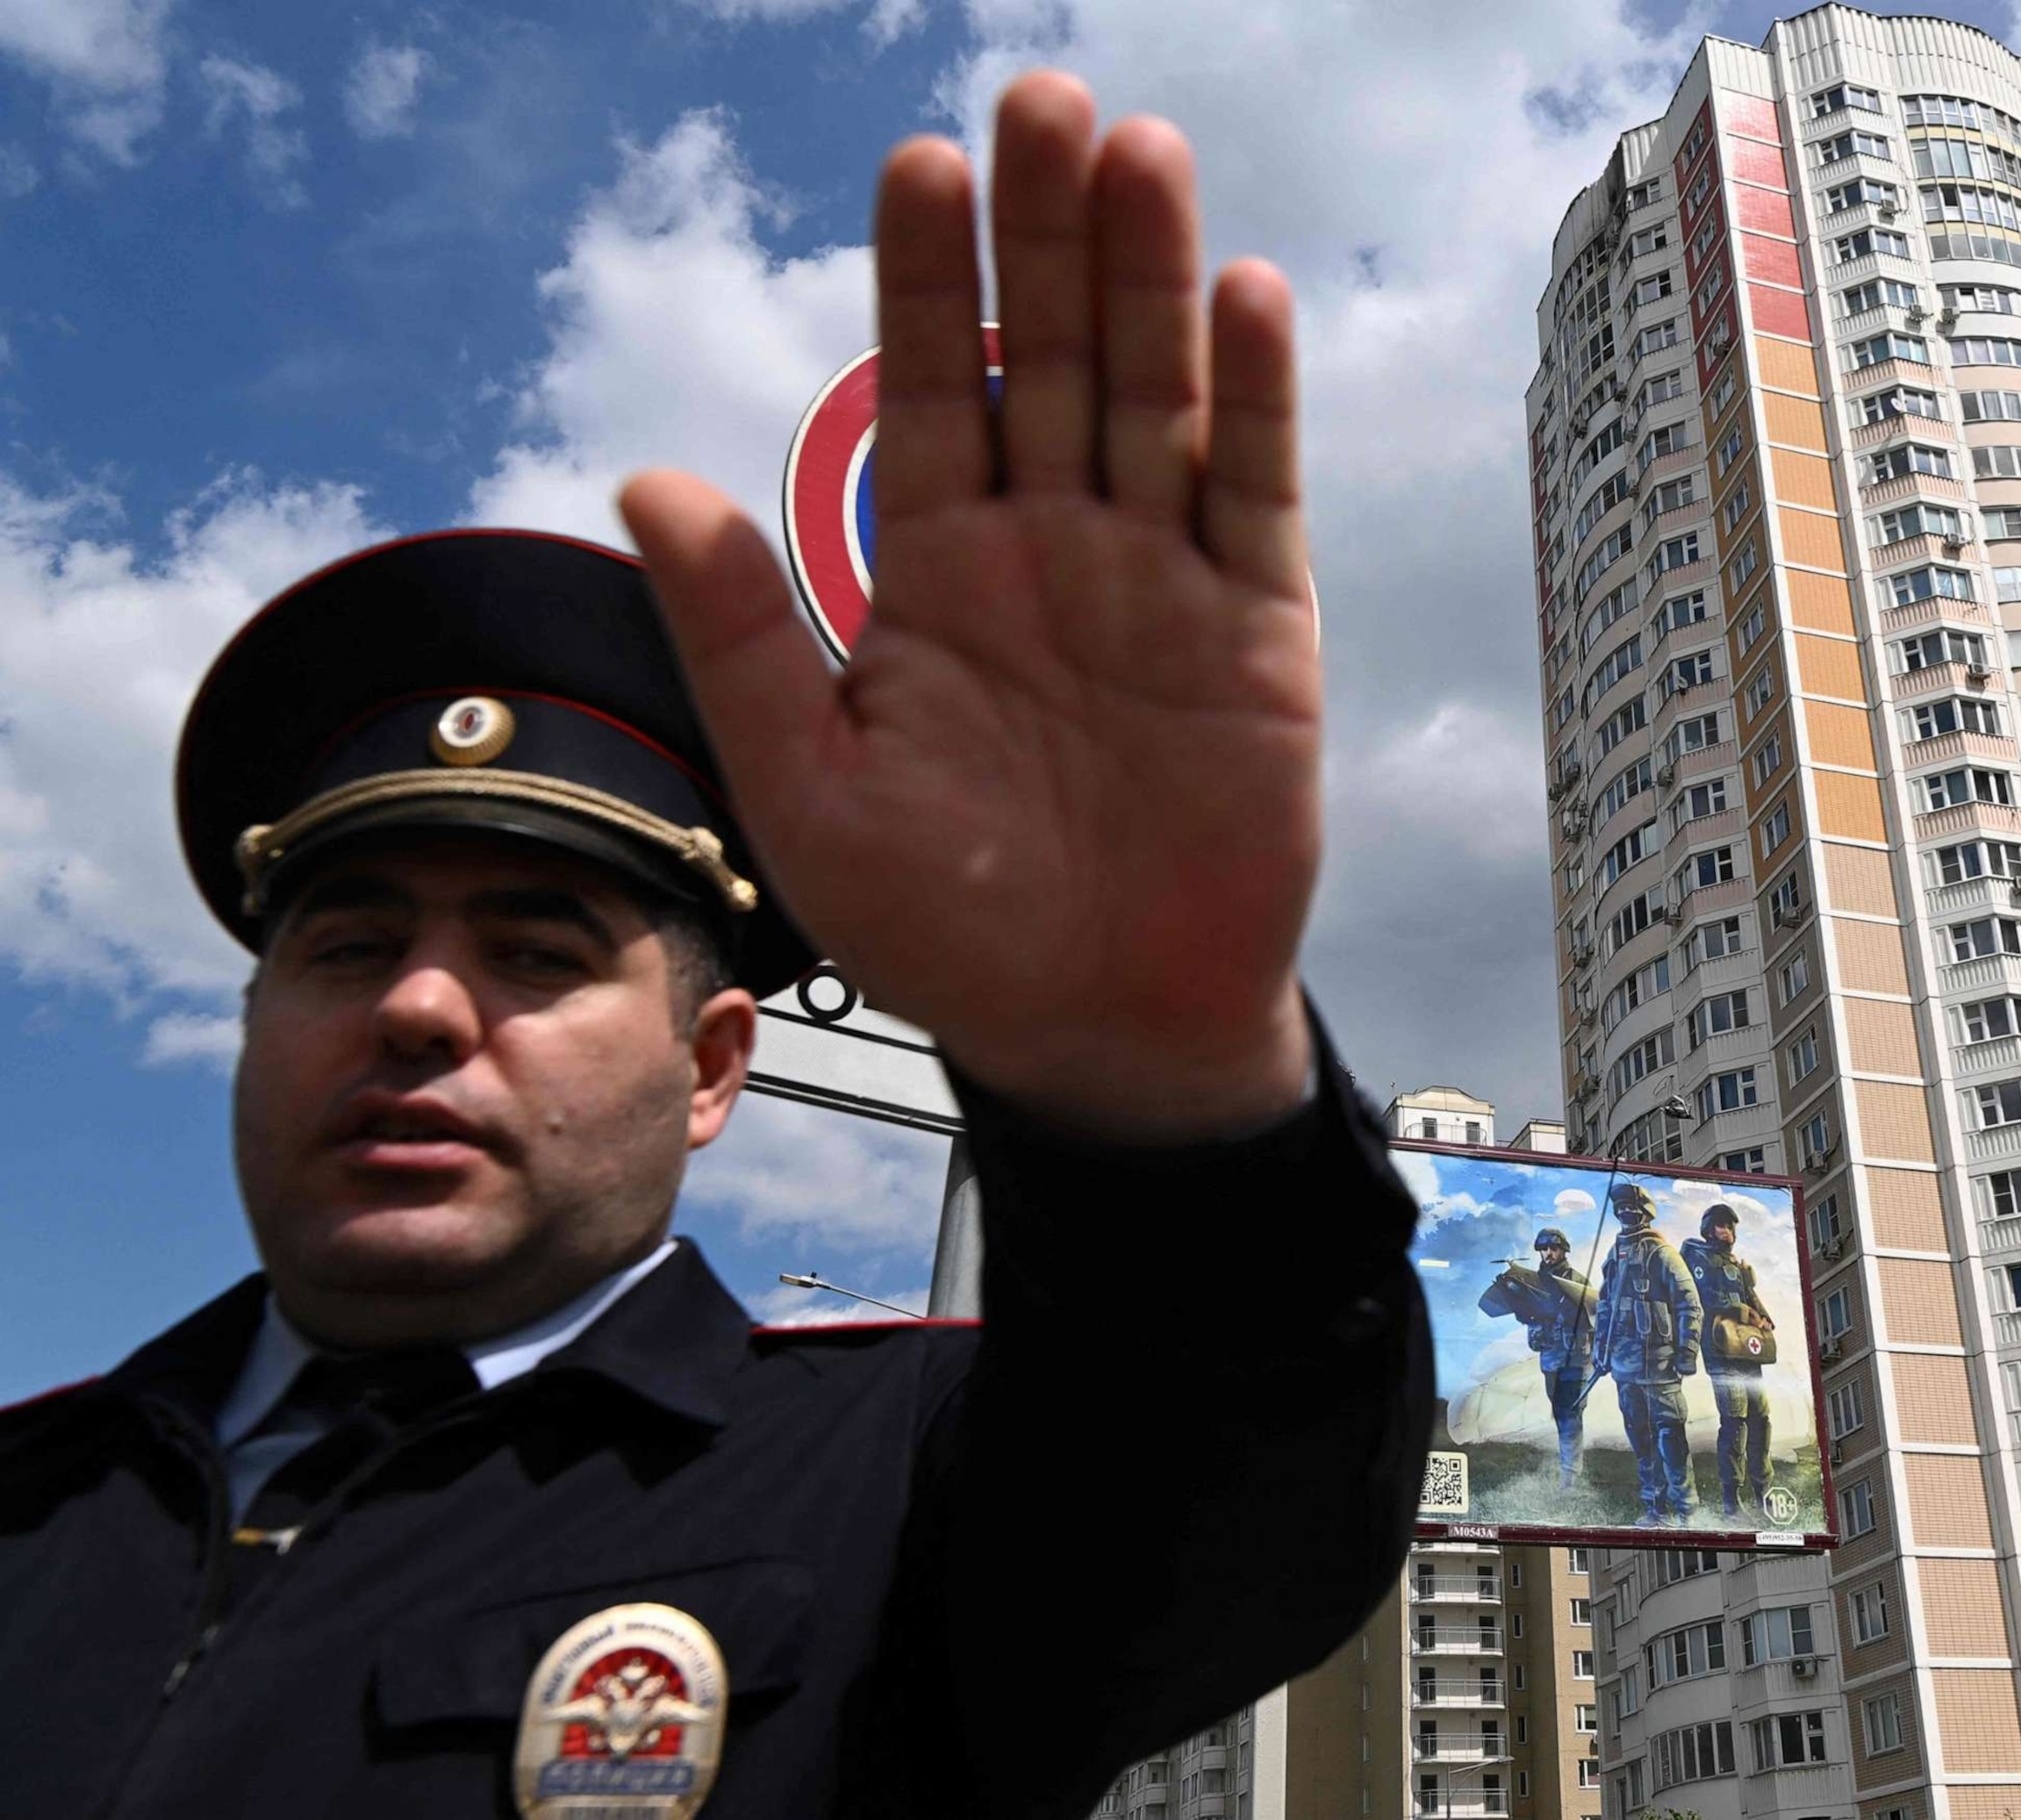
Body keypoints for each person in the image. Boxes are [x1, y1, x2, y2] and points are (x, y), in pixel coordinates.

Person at [0, 72, 1430, 1820]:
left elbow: (1241, 1488)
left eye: (538, 951)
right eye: (345, 943)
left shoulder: (905, 1475)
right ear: (246, 1018)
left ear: (712, 1065)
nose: (420, 1006)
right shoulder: (32, 1495)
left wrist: (1155, 1077)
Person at [1587, 1183, 1701, 1526]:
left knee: (1671, 1440)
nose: (1624, 1214)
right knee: (1642, 1443)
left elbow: (1689, 1306)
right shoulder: (1615, 1253)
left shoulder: (1661, 1253)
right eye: (1620, 1209)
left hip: (1661, 1365)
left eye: (1631, 1209)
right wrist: (1599, 1352)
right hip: (1625, 1366)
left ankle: (1688, 1511)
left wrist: (1686, 1354)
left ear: (1645, 1213)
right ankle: (1656, 1510)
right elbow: (1605, 1306)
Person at [1476, 1226, 1593, 1489]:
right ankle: (1568, 1467)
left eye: (1553, 1248)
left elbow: (1594, 1315)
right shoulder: (1534, 1281)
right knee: (1560, 1410)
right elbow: (1526, 1314)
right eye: (1544, 1249)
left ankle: (1571, 1476)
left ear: (1564, 1250)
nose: (1548, 1254)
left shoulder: (1577, 1280)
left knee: (1570, 1412)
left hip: (1575, 1357)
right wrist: (1512, 1292)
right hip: (1550, 1355)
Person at [1680, 1204, 1775, 1521]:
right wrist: (1741, 1310)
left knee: (1760, 1418)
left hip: (1747, 1349)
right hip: (1721, 1349)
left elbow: (1750, 1295)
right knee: (1735, 1421)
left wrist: (1763, 1317)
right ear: (1708, 1229)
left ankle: (1764, 1492)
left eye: (1730, 1227)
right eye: (1721, 1226)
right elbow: (1703, 1296)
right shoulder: (1698, 1257)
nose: (1727, 1232)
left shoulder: (1736, 1264)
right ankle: (1732, 1501)